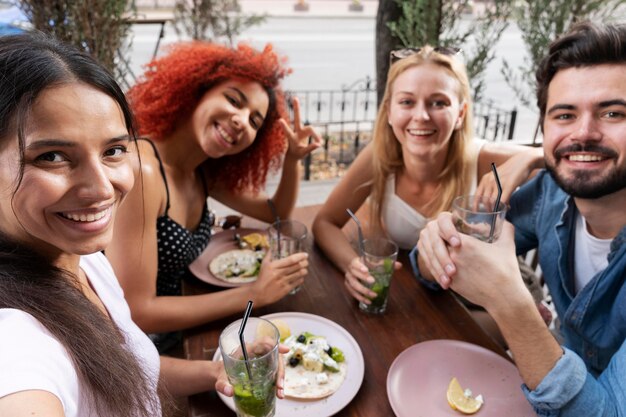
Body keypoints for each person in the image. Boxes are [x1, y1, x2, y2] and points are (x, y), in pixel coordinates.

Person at [0, 32, 285, 416]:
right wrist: (254, 293)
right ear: (192, 92)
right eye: (52, 156)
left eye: (113, 150)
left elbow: (129, 366)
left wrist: (218, 371)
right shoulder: (17, 338)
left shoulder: (83, 259)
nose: (102, 189)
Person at [417, 21, 626, 415]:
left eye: (613, 112)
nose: (584, 132)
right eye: (564, 115)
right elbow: (440, 259)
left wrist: (510, 303)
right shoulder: (550, 195)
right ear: (544, 127)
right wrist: (434, 248)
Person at [106, 42, 321, 352]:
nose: (240, 121)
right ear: (197, 91)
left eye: (254, 122)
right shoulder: (143, 172)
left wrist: (292, 161)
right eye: (234, 100)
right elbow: (138, 312)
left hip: (185, 322)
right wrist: (253, 294)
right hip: (141, 350)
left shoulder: (201, 169)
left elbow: (276, 212)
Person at [312, 45, 544, 308]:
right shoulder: (380, 156)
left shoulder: (481, 158)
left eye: (438, 103)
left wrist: (530, 157)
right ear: (389, 111)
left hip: (487, 299)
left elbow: (564, 157)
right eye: (407, 102)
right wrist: (353, 265)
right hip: (426, 294)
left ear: (460, 113)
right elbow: (325, 222)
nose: (421, 116)